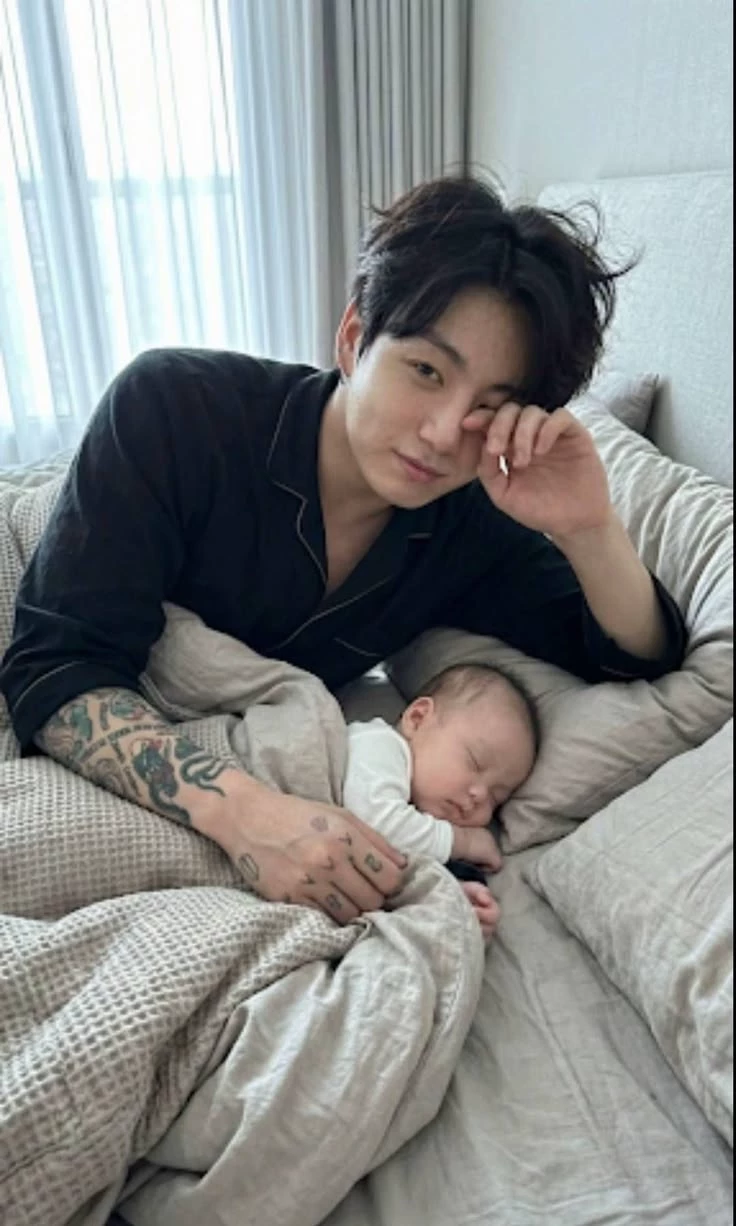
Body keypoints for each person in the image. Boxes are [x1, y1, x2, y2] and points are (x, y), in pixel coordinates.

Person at [0, 174, 687, 928]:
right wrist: (248, 815)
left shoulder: (467, 526)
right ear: (355, 338)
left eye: (488, 409)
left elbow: (635, 655)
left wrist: (589, 526)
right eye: (426, 371)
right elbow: (54, 664)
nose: (442, 434)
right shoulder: (174, 406)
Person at [343, 662, 540, 941]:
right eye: (474, 762)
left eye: (497, 798)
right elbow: (376, 825)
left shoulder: (419, 820)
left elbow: (385, 864)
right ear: (417, 719)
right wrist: (463, 842)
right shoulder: (379, 743)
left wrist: (454, 897)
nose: (480, 795)